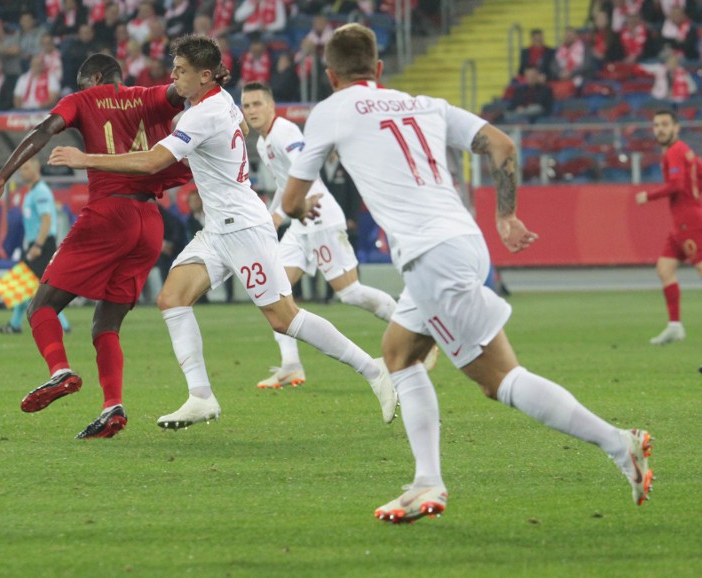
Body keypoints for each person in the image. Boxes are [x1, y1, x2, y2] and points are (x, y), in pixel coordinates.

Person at [281, 23, 654, 523]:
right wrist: (506, 214)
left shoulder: (330, 111)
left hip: (432, 257)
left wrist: (301, 206)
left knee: (499, 379)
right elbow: (502, 146)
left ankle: (617, 443)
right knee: (399, 352)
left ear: (330, 75)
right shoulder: (427, 104)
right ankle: (425, 482)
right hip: (463, 240)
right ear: (380, 70)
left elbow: (289, 199)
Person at [49, 34, 398, 430]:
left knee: (284, 318)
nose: (174, 77)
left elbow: (153, 162)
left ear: (204, 75)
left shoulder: (205, 114)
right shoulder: (217, 103)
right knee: (172, 297)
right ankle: (201, 396)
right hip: (219, 227)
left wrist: (85, 159)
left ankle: (373, 371)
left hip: (242, 228)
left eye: (181, 71)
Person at [0, 53, 192, 439]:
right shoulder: (151, 96)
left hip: (108, 213)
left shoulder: (84, 100)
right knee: (106, 324)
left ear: (94, 76)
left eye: (81, 84)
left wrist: (2, 177)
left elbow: (44, 130)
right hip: (149, 223)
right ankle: (112, 407)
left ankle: (59, 371)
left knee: (40, 306)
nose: (79, 92)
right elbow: (185, 90)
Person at [241, 81, 437, 389]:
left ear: (271, 105)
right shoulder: (265, 143)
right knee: (274, 294)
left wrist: (299, 205)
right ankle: (291, 365)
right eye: (246, 105)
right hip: (299, 222)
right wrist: (276, 216)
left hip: (318, 217)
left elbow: (305, 166)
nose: (251, 110)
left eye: (256, 104)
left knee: (350, 293)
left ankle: (419, 330)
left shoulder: (285, 132)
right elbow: (286, 181)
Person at [635, 109, 702, 345]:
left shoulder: (674, 152)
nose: (660, 129)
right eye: (656, 125)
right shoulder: (686, 151)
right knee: (664, 268)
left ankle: (675, 326)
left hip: (689, 222)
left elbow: (675, 185)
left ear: (676, 127)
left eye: (665, 124)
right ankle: (675, 326)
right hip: (683, 221)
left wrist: (648, 196)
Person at [0, 158, 70, 335]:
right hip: (35, 244)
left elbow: (46, 220)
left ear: (36, 168)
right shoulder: (31, 192)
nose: (22, 172)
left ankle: (62, 325)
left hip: (42, 245)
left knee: (34, 287)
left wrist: (38, 245)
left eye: (26, 168)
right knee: (29, 287)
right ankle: (15, 325)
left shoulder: (41, 192)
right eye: (21, 169)